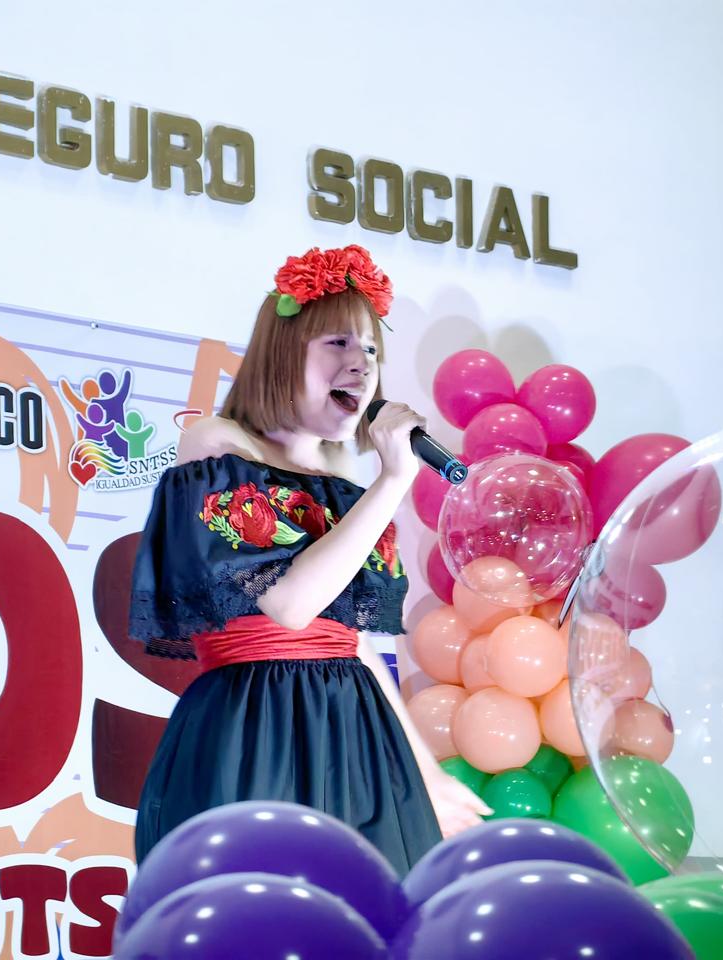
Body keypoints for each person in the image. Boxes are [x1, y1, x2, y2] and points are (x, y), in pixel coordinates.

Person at [127, 245, 489, 874]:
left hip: (357, 730)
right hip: (257, 722)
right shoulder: (217, 444)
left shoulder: (344, 485)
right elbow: (291, 605)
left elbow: (353, 643)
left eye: (370, 349)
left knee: (368, 902)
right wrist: (393, 480)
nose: (361, 363)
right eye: (338, 343)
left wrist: (428, 774)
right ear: (283, 351)